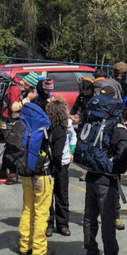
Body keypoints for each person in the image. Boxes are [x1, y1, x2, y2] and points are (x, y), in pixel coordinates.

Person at [83, 108, 127, 255]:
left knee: (89, 217)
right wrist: (117, 169)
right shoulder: (120, 131)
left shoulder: (95, 125)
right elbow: (124, 155)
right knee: (108, 220)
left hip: (91, 174)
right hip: (107, 179)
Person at [17, 99, 68, 255]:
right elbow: (58, 155)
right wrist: (57, 168)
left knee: (27, 209)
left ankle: (25, 245)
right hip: (44, 175)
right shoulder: (59, 130)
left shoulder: (37, 126)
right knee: (41, 212)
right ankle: (39, 249)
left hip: (27, 171)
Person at [0, 72, 40, 184]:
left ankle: (2, 171)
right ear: (27, 83)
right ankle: (12, 175)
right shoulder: (15, 88)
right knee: (14, 147)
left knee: (9, 146)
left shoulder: (18, 87)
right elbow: (14, 107)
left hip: (10, 121)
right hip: (7, 121)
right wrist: (28, 99)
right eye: (30, 87)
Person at [48, 97, 75, 238]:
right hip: (50, 163)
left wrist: (71, 151)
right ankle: (49, 224)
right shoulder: (47, 125)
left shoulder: (67, 124)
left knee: (60, 194)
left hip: (62, 163)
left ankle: (62, 224)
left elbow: (73, 138)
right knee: (52, 195)